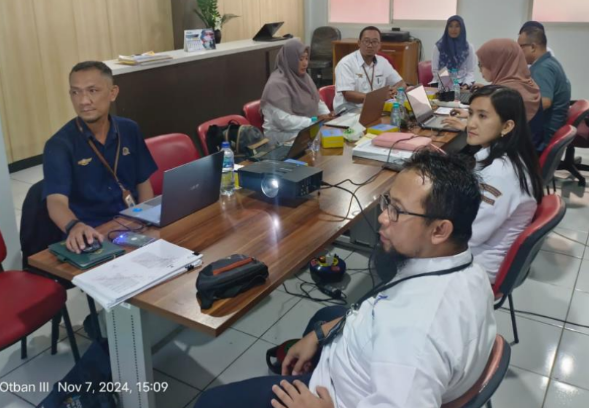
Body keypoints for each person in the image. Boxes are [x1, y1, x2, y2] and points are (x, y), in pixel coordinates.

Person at [194, 150, 497, 408]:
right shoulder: (466, 267)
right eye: (387, 202)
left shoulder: (413, 337)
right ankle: (307, 364)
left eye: (397, 211)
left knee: (210, 402)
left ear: (440, 230)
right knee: (325, 315)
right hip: (357, 361)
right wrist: (320, 335)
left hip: (336, 397)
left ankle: (303, 380)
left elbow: (408, 353)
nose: (383, 217)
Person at [43, 61, 157, 253]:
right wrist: (74, 226)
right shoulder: (59, 145)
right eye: (75, 92)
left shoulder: (129, 129)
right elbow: (55, 201)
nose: (83, 101)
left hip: (133, 224)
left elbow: (143, 183)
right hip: (91, 235)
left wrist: (146, 220)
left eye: (93, 91)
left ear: (112, 93)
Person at [465, 85, 544, 283]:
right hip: (476, 253)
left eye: (482, 116)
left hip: (477, 267)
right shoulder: (509, 156)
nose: (471, 124)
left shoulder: (500, 174)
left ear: (507, 126)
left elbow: (472, 234)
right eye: (470, 113)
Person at [261, 39, 333, 145]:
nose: (305, 63)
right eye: (300, 59)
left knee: (330, 135)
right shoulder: (276, 84)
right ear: (290, 59)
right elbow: (284, 122)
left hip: (305, 128)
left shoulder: (304, 78)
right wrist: (315, 121)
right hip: (280, 135)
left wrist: (328, 117)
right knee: (318, 140)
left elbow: (317, 102)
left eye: (306, 59)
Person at [518, 21, 571, 149]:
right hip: (549, 128)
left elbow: (545, 102)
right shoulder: (549, 61)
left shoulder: (542, 68)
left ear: (533, 47)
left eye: (520, 47)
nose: (518, 52)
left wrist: (514, 109)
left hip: (543, 135)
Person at [333, 26, 406, 114]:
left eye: (374, 42)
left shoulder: (383, 62)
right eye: (366, 41)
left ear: (379, 45)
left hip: (374, 106)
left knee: (401, 115)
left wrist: (395, 90)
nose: (370, 45)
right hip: (349, 108)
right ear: (359, 43)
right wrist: (379, 97)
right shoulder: (346, 63)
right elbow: (348, 95)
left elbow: (401, 83)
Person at [431, 15, 476, 86]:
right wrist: (449, 84)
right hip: (441, 83)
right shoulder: (439, 47)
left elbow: (470, 71)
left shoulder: (468, 48)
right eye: (450, 26)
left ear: (462, 28)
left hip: (462, 83)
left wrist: (466, 84)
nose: (453, 29)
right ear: (447, 28)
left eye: (457, 26)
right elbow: (435, 71)